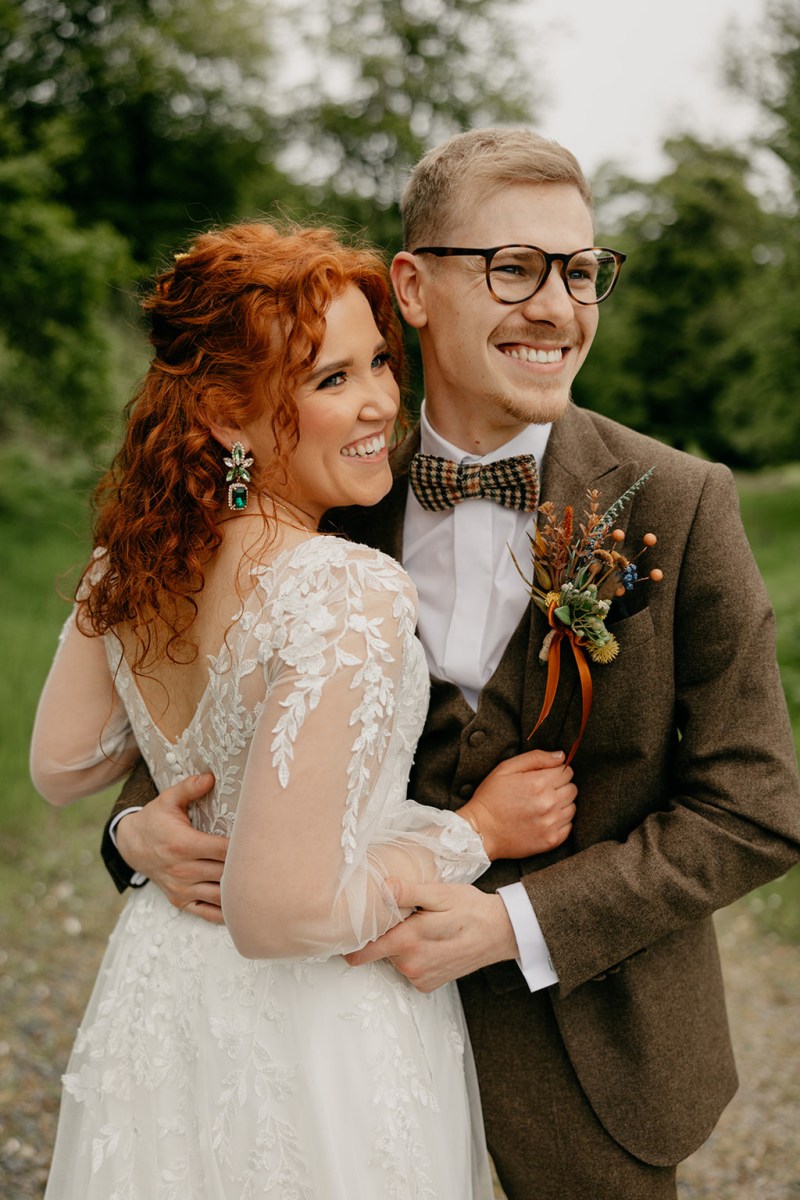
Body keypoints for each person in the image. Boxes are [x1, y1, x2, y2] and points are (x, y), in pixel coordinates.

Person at [99, 130, 800, 1200]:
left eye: (579, 271)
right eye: (512, 268)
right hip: (331, 1026)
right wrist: (129, 830)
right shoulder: (313, 483)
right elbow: (220, 689)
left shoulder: (677, 501)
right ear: (414, 288)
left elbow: (754, 805)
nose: (558, 308)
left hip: (586, 1049)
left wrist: (513, 923)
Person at [30, 219, 580, 1199]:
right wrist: (469, 832)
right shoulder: (343, 590)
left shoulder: (130, 565)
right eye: (329, 380)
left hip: (161, 995)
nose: (378, 401)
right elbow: (280, 916)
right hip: (318, 1025)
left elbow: (64, 766)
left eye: (377, 361)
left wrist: (139, 831)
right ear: (227, 417)